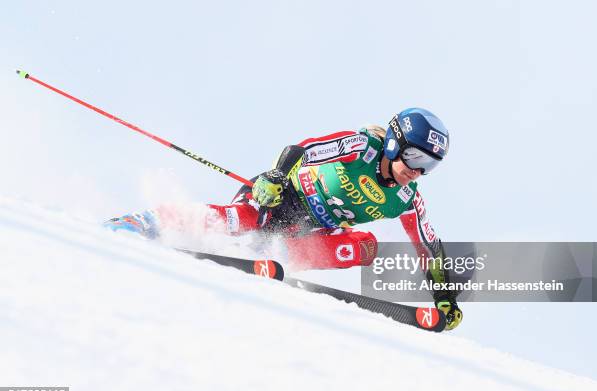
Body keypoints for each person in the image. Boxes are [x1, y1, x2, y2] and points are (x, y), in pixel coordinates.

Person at [105, 108, 463, 330]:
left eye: (429, 166)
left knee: (365, 247)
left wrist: (444, 294)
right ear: (394, 143)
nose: (418, 172)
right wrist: (275, 176)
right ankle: (144, 221)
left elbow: (428, 247)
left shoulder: (405, 199)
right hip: (279, 199)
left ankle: (281, 259)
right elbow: (303, 149)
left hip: (308, 232)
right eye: (415, 157)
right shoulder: (361, 147)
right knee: (243, 218)